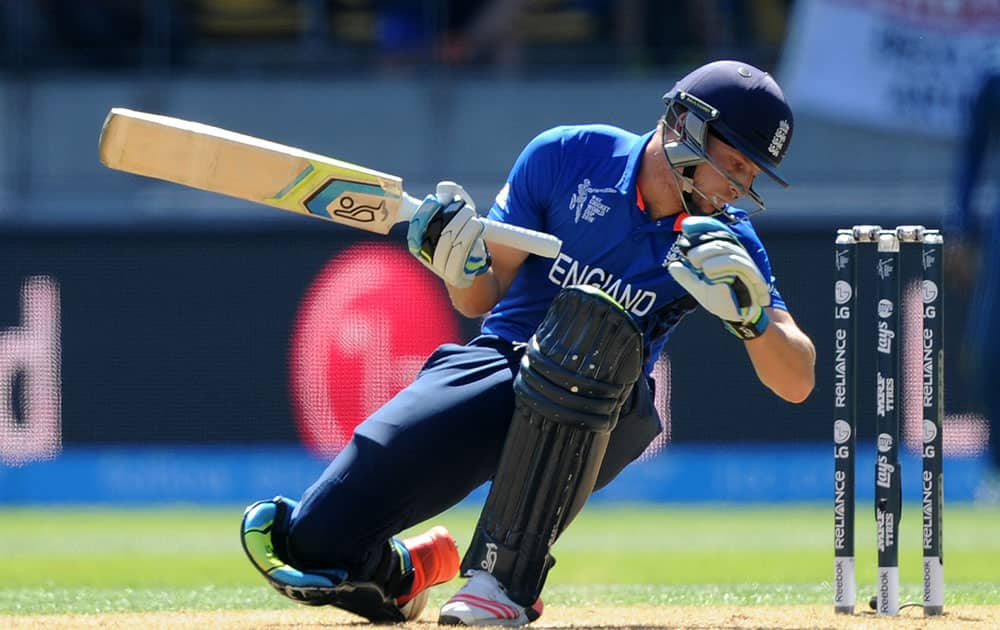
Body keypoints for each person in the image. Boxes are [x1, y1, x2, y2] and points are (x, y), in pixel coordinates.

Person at [239, 59, 816, 625]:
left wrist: (754, 320)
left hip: (603, 410)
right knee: (309, 547)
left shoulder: (725, 241)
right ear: (689, 126)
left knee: (591, 333)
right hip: (501, 363)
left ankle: (503, 580)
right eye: (735, 162)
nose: (741, 188)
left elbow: (796, 380)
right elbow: (480, 298)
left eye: (753, 174)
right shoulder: (568, 155)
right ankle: (404, 574)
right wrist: (456, 264)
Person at [947, 64, 1000, 490]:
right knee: (989, 350)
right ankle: (997, 466)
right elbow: (971, 157)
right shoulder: (994, 76)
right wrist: (961, 229)